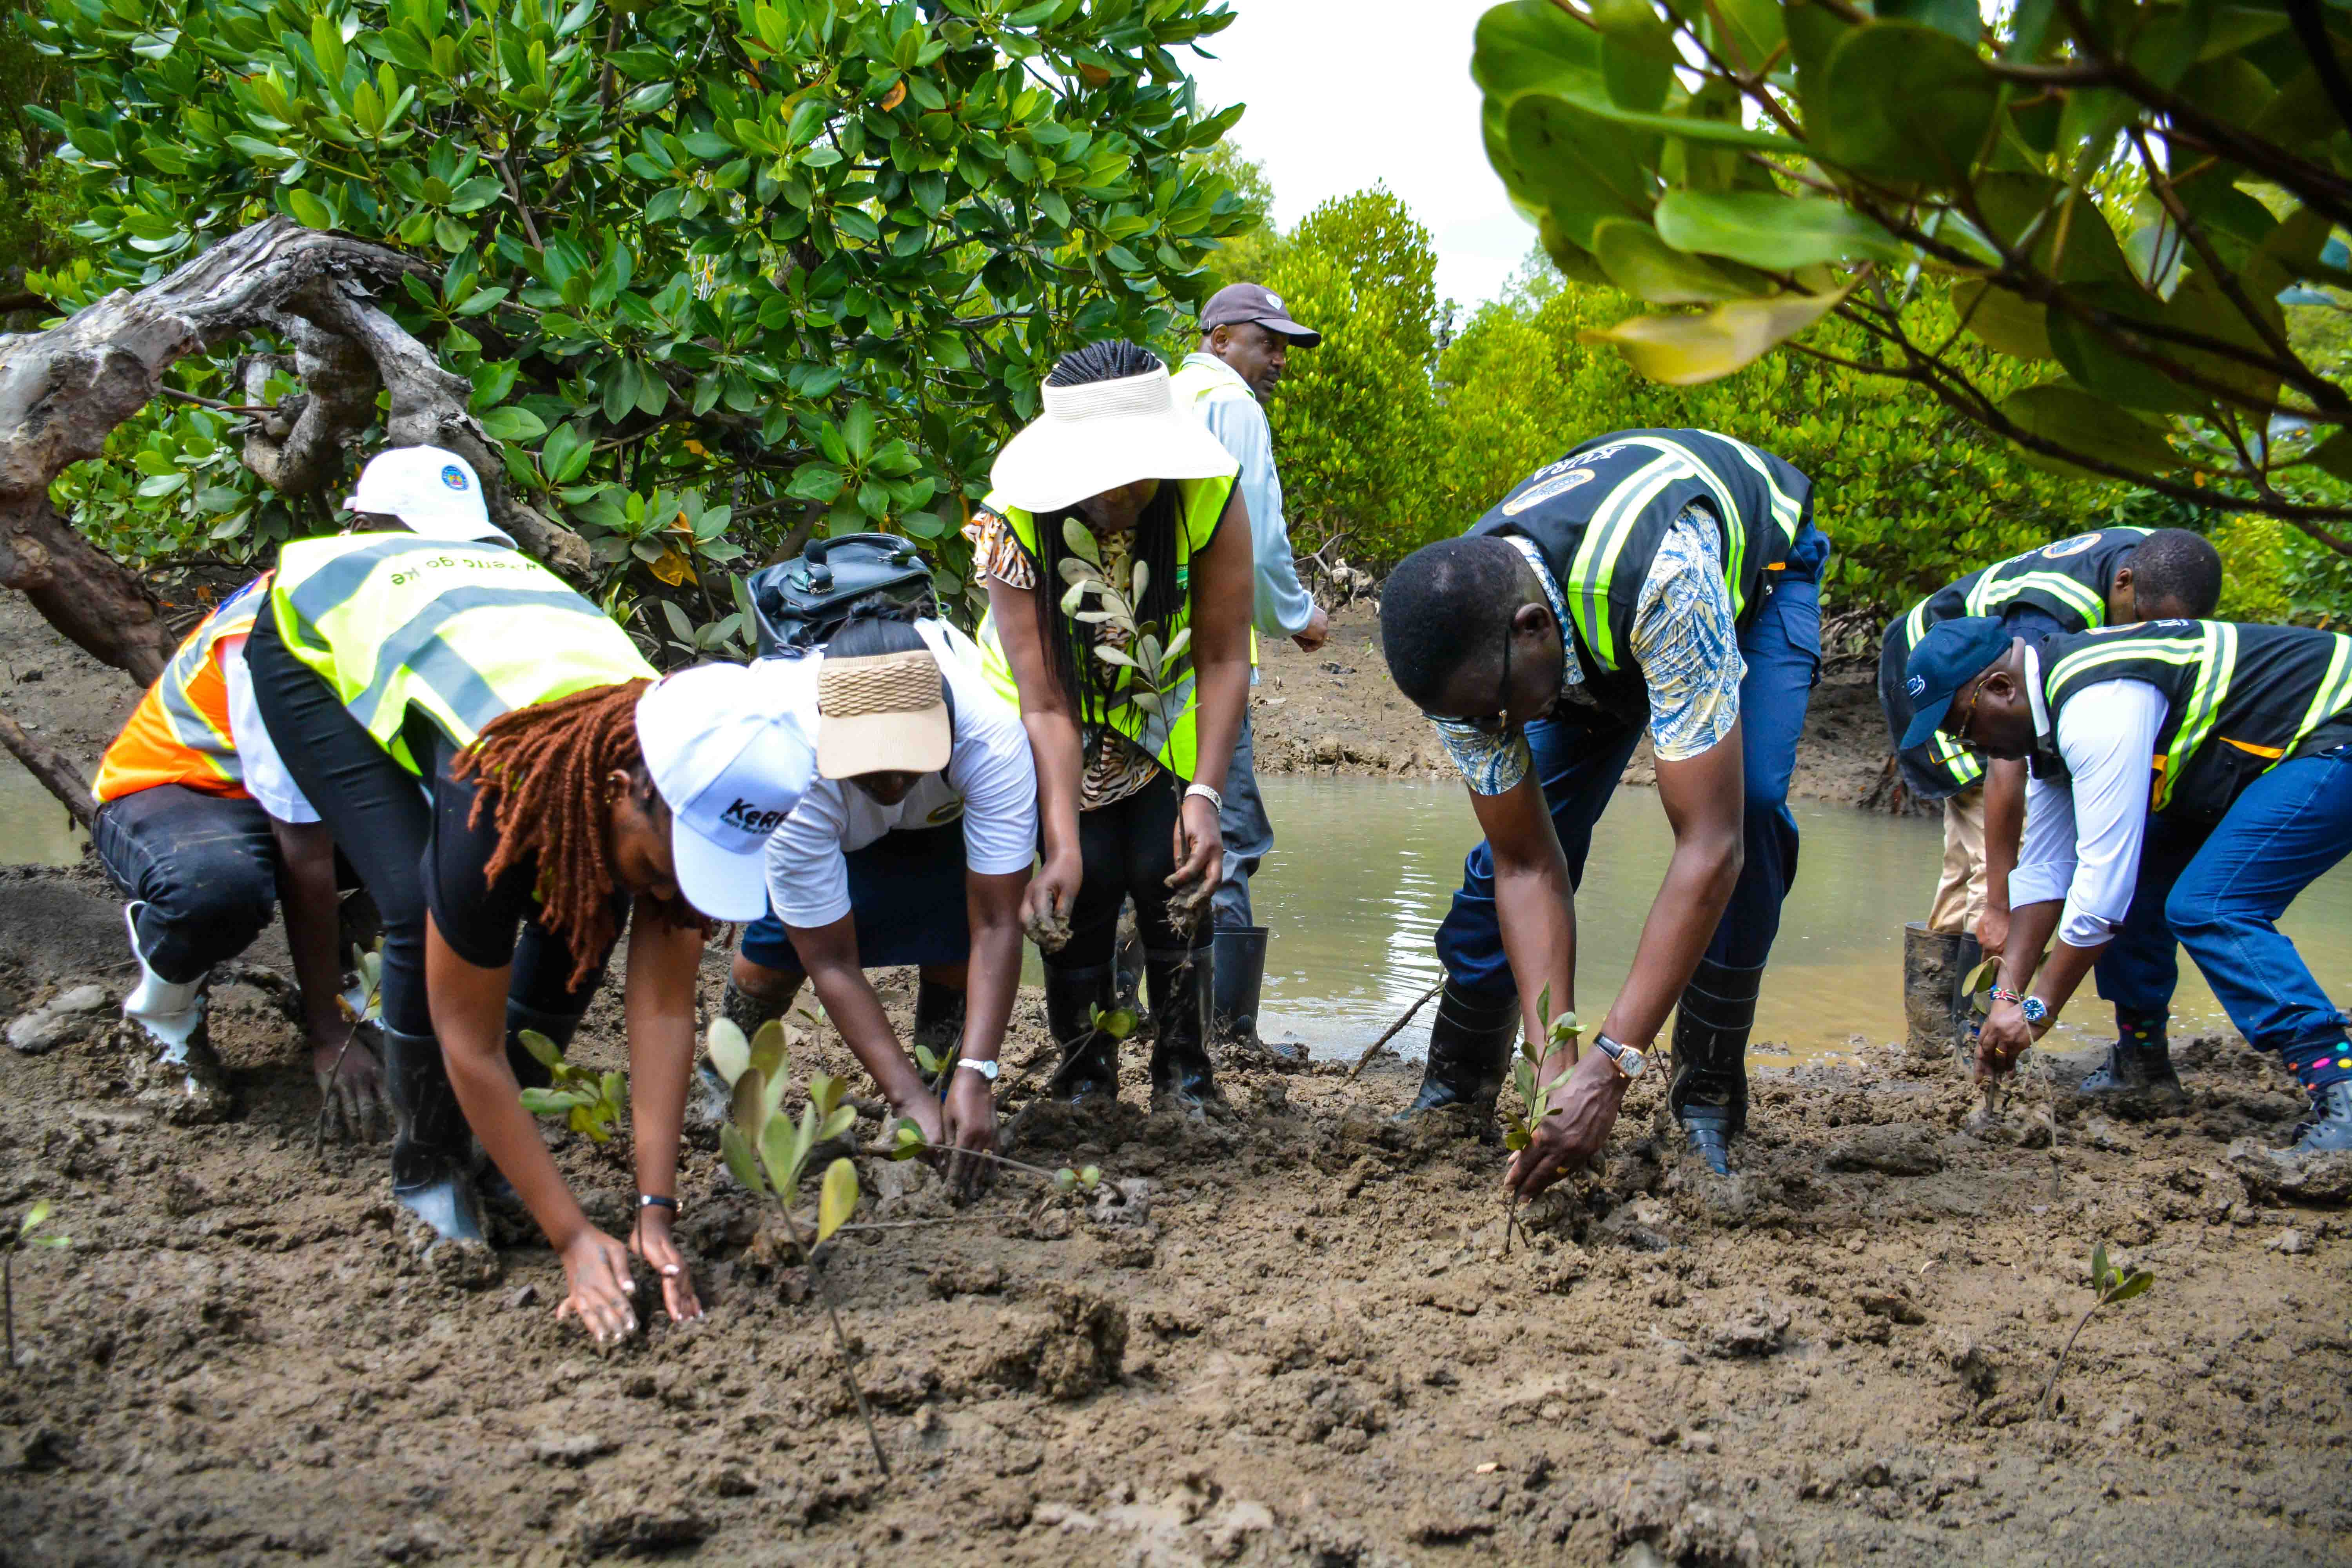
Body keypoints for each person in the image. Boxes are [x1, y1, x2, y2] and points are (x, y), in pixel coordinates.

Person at [247, 466, 813, 1343]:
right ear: (624, 790)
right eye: (672, 864)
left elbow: (663, 1005)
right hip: (316, 629)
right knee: (415, 904)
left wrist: (652, 1209)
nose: (674, 892)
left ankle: (496, 1156)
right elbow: (468, 1042)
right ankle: (429, 1166)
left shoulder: (689, 774)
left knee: (584, 905)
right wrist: (573, 1234)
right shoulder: (501, 795)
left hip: (500, 634)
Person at [1378, 429, 1830, 1183]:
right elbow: (1527, 864)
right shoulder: (1461, 644)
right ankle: (1460, 1083)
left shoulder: (1669, 582)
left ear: (1532, 632)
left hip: (1758, 579)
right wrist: (1554, 1067)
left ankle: (1707, 1098)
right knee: (1517, 841)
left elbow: (1708, 847)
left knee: (1747, 809)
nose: (1500, 735)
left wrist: (1612, 1065)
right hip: (1571, 641)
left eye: (1496, 715)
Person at [1902, 615, 2352, 1158]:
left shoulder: (2098, 706)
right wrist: (2006, 996)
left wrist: (2038, 1011)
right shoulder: (2049, 726)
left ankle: (2339, 1087)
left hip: (2334, 734)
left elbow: (2099, 896)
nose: (1973, 747)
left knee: (2212, 906)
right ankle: (2144, 1066)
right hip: (2270, 756)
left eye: (1965, 727)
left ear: (2000, 688)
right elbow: (2046, 872)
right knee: (2145, 883)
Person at [966, 340, 1254, 1115]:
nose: (1118, 493)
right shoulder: (1010, 521)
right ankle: (1084, 1075)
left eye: (1134, 474)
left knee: (1175, 870)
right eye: (1098, 479)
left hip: (1163, 703)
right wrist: (1057, 841)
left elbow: (1227, 656)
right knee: (1085, 874)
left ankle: (1184, 1074)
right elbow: (1046, 700)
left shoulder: (1209, 494)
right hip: (1049, 709)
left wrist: (1205, 795)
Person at [1878, 528, 2222, 1085]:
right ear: (2125, 582)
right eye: (2144, 621)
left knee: (2030, 870)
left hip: (1981, 696)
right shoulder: (2043, 626)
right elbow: (2010, 764)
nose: (2148, 636)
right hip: (1936, 688)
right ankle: (1962, 1044)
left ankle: (1987, 1025)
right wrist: (1998, 903)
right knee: (1980, 871)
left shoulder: (2158, 564)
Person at [723, 610, 1038, 1192]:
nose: (892, 782)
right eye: (873, 765)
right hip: (825, 816)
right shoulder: (790, 761)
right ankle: (721, 1089)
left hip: (942, 816)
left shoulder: (991, 738)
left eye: (907, 759)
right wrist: (901, 1097)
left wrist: (980, 1073)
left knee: (954, 937)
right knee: (770, 960)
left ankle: (945, 1080)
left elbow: (996, 923)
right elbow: (830, 959)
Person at [89, 572, 377, 1129]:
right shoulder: (277, 627)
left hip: (309, 791)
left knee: (480, 825)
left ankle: (358, 972)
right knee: (216, 889)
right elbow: (303, 845)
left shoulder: (428, 608)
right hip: (182, 786)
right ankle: (164, 1014)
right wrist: (328, 1034)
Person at [1171, 283, 1329, 1047]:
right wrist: (1299, 615)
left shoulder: (1165, 395)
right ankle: (1227, 1033)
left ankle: (1148, 1010)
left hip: (1144, 658)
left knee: (1157, 822)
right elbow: (1258, 534)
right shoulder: (1232, 405)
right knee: (1227, 829)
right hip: (1210, 657)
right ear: (1223, 335)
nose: (1278, 362)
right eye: (1270, 343)